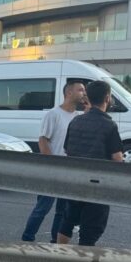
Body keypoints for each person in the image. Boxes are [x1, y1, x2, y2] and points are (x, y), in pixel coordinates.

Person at [56, 80, 123, 246]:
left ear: (89, 98)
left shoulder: (75, 122)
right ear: (107, 98)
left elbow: (67, 150)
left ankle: (59, 257)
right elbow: (117, 158)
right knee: (91, 230)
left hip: (75, 181)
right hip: (97, 185)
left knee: (68, 221)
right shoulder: (109, 125)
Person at [20, 80, 87, 243]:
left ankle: (54, 241)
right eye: (80, 90)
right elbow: (43, 141)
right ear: (68, 93)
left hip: (68, 171)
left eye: (84, 91)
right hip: (52, 170)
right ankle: (27, 239)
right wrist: (52, 166)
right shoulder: (54, 114)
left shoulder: (78, 117)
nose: (84, 93)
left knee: (62, 211)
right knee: (42, 208)